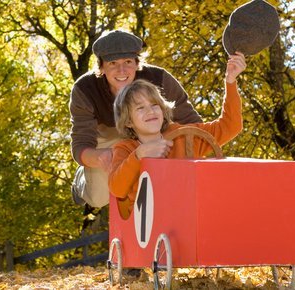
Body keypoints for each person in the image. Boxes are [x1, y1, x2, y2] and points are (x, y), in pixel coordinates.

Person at [69, 30, 201, 208]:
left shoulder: (160, 79)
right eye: (113, 63)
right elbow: (80, 145)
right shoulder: (85, 89)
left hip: (154, 135)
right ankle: (82, 181)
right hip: (109, 141)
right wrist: (101, 157)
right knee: (98, 199)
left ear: (138, 63)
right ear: (101, 67)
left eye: (128, 62)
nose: (121, 70)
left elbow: (192, 123)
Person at [109, 53, 246, 219]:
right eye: (140, 108)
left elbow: (230, 126)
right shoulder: (126, 149)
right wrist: (139, 155)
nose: (150, 111)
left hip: (189, 217)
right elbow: (117, 188)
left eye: (154, 105)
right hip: (149, 226)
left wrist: (230, 81)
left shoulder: (184, 136)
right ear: (129, 121)